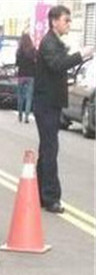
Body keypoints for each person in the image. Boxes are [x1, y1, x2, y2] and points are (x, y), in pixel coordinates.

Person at [34, 5, 94, 214]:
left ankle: (40, 193)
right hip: (46, 104)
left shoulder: (56, 42)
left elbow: (61, 67)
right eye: (65, 20)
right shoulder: (49, 42)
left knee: (46, 149)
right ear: (54, 22)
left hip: (51, 103)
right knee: (50, 150)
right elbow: (58, 65)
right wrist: (80, 54)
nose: (68, 24)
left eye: (69, 20)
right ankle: (51, 197)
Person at [15, 33, 37, 123]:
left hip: (21, 76)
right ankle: (27, 116)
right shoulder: (33, 51)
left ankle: (20, 114)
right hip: (31, 76)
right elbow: (36, 63)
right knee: (29, 97)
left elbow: (17, 64)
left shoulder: (19, 51)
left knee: (20, 96)